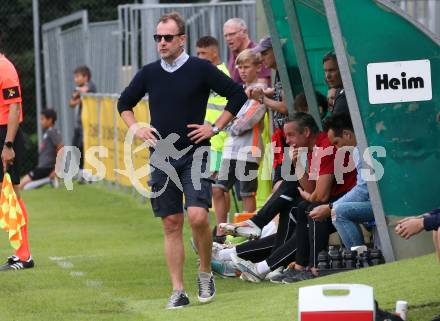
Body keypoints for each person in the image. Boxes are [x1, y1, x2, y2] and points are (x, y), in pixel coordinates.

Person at [117, 12, 247, 309]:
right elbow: (124, 103)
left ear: (181, 39)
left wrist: (214, 127)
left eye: (167, 37)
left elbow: (236, 95)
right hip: (162, 156)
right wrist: (135, 126)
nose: (161, 43)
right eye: (157, 38)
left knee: (199, 216)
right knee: (171, 223)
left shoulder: (201, 68)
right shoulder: (149, 73)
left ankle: (204, 270)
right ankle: (178, 290)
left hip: (196, 152)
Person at [220, 113, 357, 282]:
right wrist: (297, 164)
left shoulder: (324, 147)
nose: (287, 140)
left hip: (346, 200)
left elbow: (319, 196)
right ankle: (284, 265)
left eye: (291, 135)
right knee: (299, 207)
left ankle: (309, 268)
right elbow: (312, 190)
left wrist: (310, 195)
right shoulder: (309, 149)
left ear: (306, 132)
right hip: (334, 200)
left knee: (309, 208)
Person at [212, 49, 266, 237]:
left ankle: (246, 233)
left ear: (258, 67)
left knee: (246, 193)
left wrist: (229, 122)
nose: (243, 71)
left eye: (247, 66)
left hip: (249, 151)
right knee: (218, 189)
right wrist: (230, 121)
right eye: (240, 67)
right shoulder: (239, 91)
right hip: (230, 150)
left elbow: (244, 123)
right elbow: (228, 120)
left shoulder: (260, 92)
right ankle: (221, 231)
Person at [310, 113, 372, 249]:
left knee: (338, 211)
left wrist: (330, 207)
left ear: (347, 134)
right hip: (383, 203)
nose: (337, 149)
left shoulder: (360, 149)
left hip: (387, 205)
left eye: (337, 143)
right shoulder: (362, 145)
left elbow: (363, 191)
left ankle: (360, 260)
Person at [0, 39, 34, 271]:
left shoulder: (5, 68)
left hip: (4, 135)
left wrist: (8, 144)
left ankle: (24, 256)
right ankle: (21, 253)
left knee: (12, 195)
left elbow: (15, 107)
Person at [196, 36, 231, 243]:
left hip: (221, 140)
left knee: (218, 189)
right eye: (197, 53)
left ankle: (221, 232)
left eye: (203, 53)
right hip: (211, 142)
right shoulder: (205, 74)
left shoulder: (220, 75)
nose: (199, 57)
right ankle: (221, 229)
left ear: (214, 53)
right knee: (219, 190)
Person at [248, 36, 288, 190]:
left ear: (276, 51)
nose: (261, 58)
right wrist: (268, 93)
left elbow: (285, 107)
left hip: (289, 139)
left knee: (280, 184)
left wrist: (262, 99)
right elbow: (280, 93)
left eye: (265, 53)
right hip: (283, 137)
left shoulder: (285, 72)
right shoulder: (279, 71)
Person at [19, 109, 63, 190]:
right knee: (25, 187)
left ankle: (50, 179)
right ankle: (48, 180)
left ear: (50, 120)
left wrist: (56, 169)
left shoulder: (52, 131)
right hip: (43, 167)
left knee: (20, 185)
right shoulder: (47, 133)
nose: (40, 121)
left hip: (46, 167)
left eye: (42, 119)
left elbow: (60, 148)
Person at [68, 65, 96, 181]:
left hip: (89, 124)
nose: (75, 79)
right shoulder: (78, 88)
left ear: (86, 77)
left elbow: (85, 91)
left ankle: (88, 175)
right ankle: (80, 174)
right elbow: (71, 103)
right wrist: (78, 97)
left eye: (78, 76)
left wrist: (78, 94)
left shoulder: (91, 85)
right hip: (79, 124)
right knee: (76, 148)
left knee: (86, 148)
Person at [223, 18, 271, 86]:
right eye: (225, 35)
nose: (228, 38)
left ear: (244, 32)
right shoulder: (233, 54)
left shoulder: (258, 53)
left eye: (232, 34)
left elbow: (261, 88)